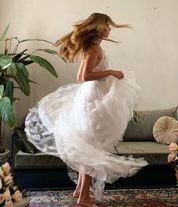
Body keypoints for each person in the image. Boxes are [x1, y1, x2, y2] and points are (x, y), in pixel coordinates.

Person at [24, 13, 148, 207]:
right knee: (92, 150)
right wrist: (111, 72)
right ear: (99, 27)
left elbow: (82, 74)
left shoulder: (93, 46)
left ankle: (79, 191)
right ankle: (83, 197)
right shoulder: (94, 47)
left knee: (88, 148)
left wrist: (109, 74)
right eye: (107, 25)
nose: (109, 29)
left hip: (91, 97)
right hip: (92, 100)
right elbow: (83, 76)